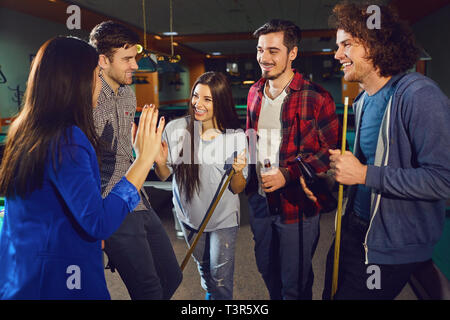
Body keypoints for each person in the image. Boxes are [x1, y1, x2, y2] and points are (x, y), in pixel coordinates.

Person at [0, 36, 164, 299]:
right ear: (76, 82)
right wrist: (144, 159)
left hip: (22, 276)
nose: (99, 84)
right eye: (96, 75)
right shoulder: (68, 139)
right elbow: (98, 222)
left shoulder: (23, 129)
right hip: (60, 281)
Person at [322, 3, 450, 300]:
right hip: (354, 230)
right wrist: (339, 176)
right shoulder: (363, 99)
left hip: (389, 246)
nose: (337, 54)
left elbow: (443, 179)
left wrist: (364, 174)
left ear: (376, 45)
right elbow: (371, 169)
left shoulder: (419, 95)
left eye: (347, 45)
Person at [245, 19, 339, 300]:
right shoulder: (254, 93)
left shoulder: (317, 96)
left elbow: (330, 153)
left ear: (292, 53)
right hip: (261, 203)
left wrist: (288, 173)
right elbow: (252, 141)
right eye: (261, 49)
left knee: (294, 285)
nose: (264, 58)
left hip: (297, 207)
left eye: (273, 50)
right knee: (267, 271)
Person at [89, 21, 182, 300]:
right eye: (127, 59)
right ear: (103, 61)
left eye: (135, 58)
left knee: (172, 277)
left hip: (138, 197)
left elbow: (125, 153)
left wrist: (150, 154)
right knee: (149, 291)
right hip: (111, 203)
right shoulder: (89, 100)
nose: (136, 66)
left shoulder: (128, 96)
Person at [155, 72, 247, 300]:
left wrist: (236, 171)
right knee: (206, 273)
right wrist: (158, 160)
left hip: (223, 219)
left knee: (221, 280)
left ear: (221, 102)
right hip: (189, 218)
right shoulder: (176, 129)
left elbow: (238, 188)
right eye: (196, 96)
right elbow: (165, 174)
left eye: (208, 99)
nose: (198, 103)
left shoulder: (235, 137)